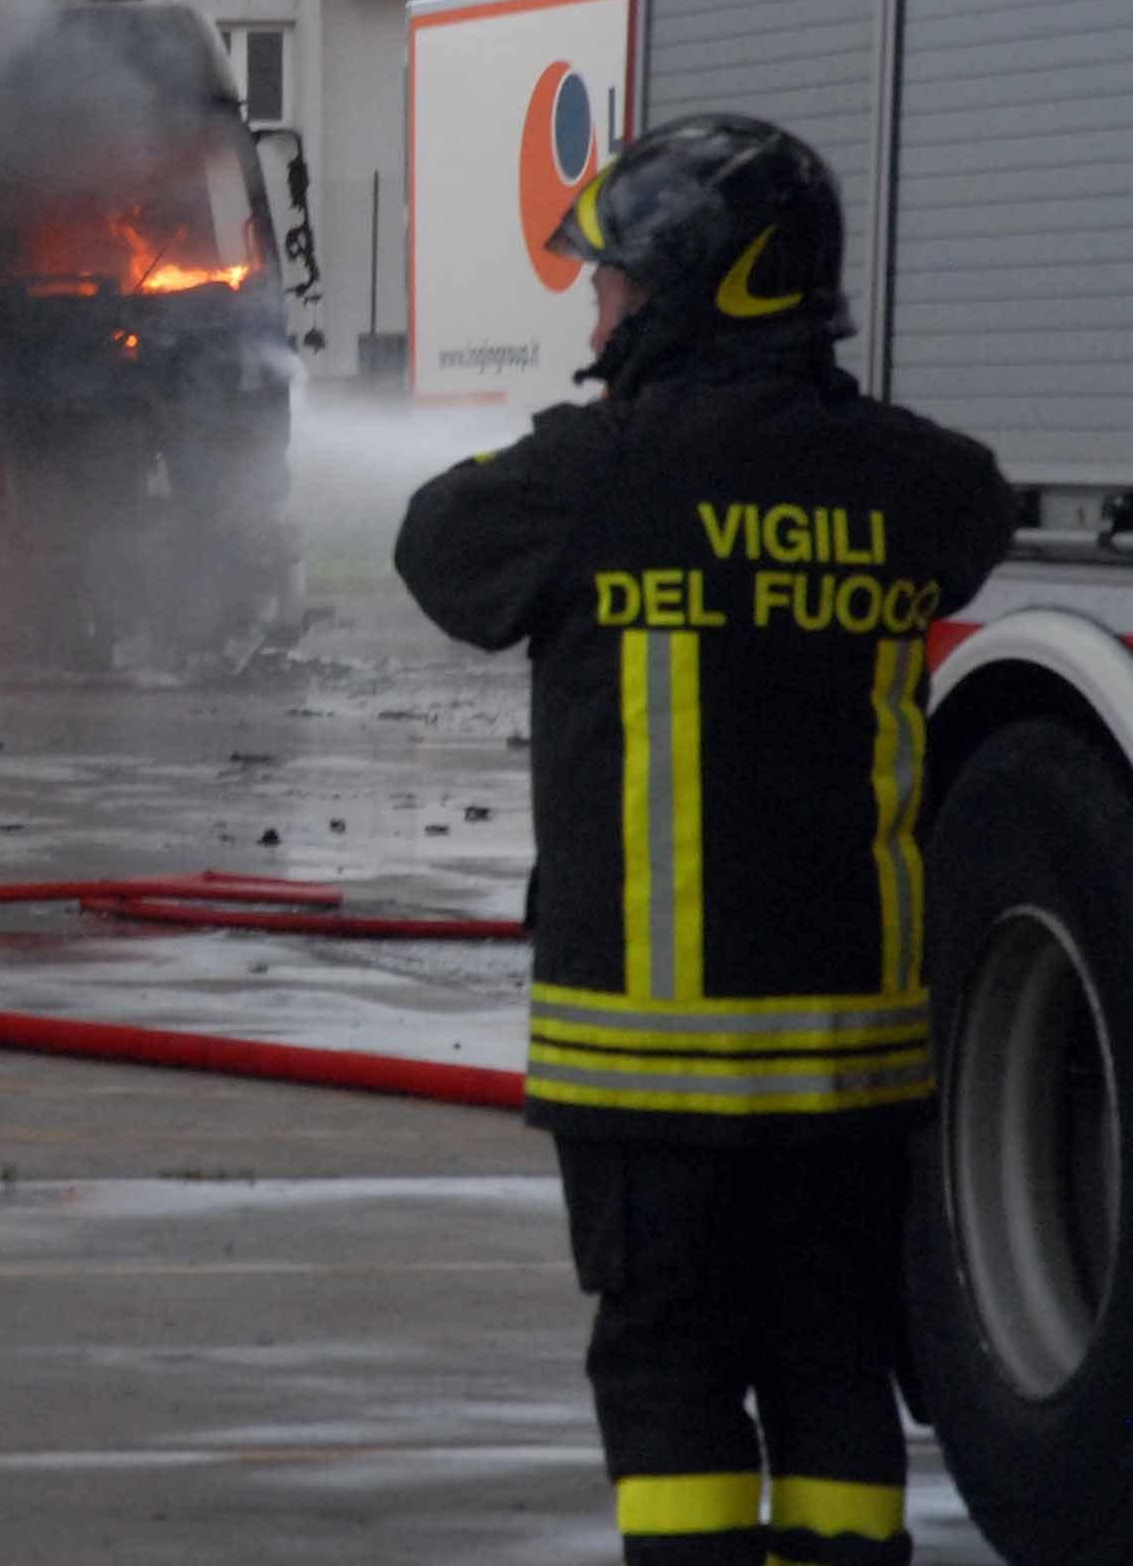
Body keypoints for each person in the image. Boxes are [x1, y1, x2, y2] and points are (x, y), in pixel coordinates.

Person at [396, 115, 1012, 1566]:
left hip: (649, 1066)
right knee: (829, 1362)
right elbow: (974, 507)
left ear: (688, 287)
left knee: (670, 1367)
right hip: (850, 1069)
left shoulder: (592, 476)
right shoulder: (910, 481)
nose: (595, 310)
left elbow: (440, 548)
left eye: (611, 283)